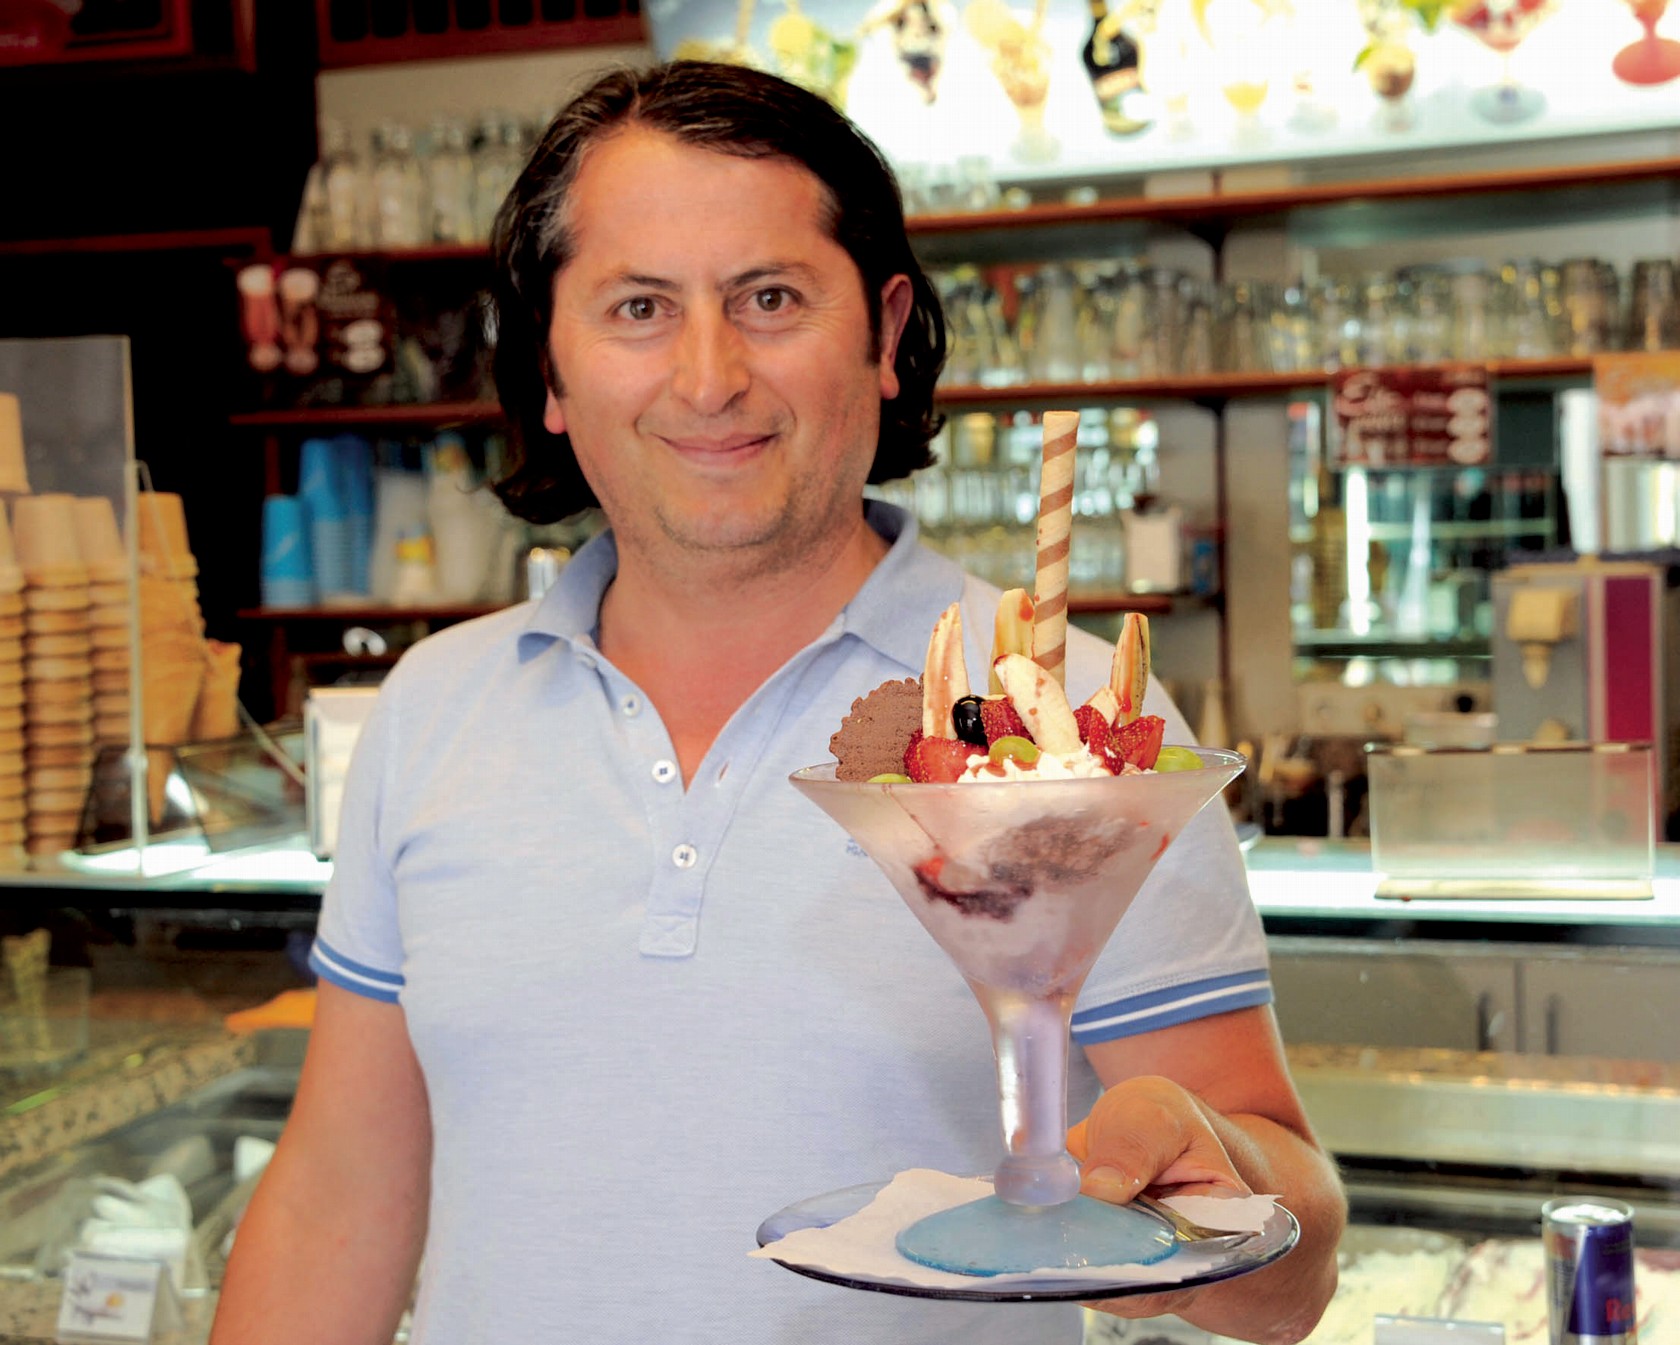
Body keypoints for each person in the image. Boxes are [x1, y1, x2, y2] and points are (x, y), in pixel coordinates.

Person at [211, 60, 1343, 1345]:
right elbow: (339, 1194)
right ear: (549, 369)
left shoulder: (1072, 717)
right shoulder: (435, 706)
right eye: (640, 307)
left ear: (883, 331)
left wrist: (1206, 1201)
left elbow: (1290, 1278)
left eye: (770, 298)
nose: (709, 376)